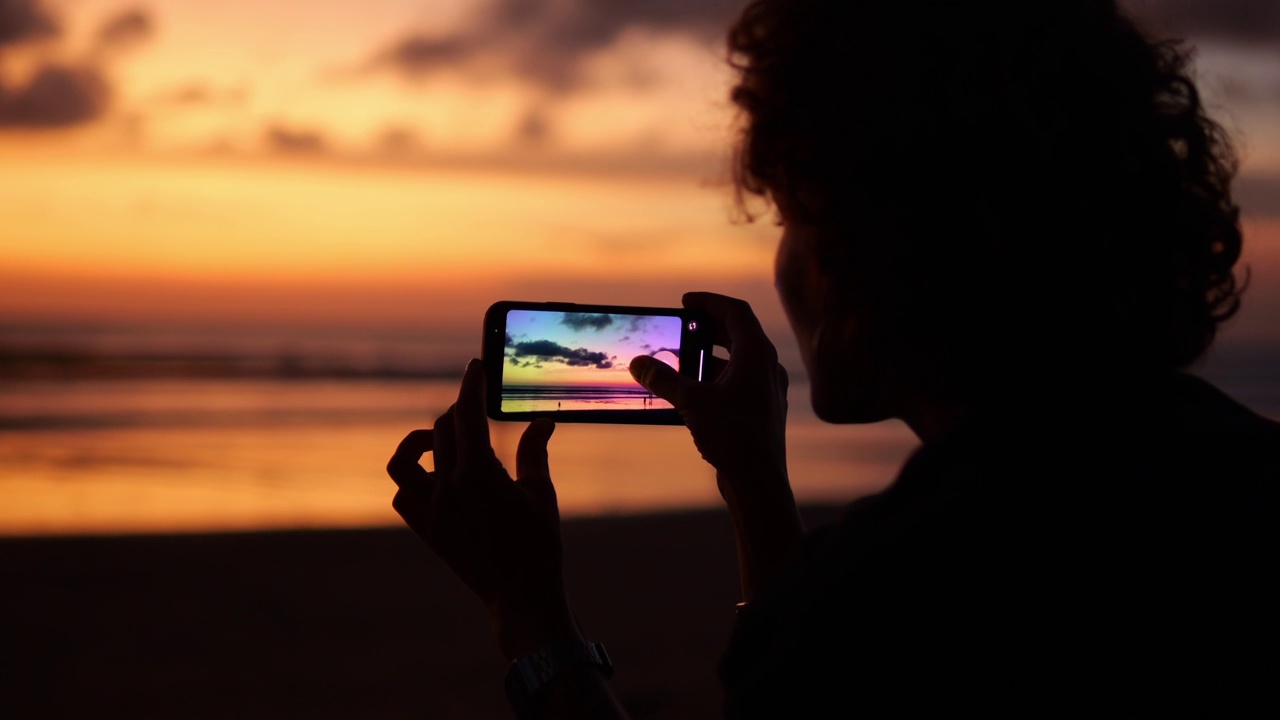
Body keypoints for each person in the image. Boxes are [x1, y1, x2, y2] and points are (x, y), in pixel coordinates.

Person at [387, 0, 1279, 716]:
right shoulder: (1236, 484)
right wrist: (754, 483)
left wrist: (529, 621)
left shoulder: (896, 606)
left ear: (883, 246)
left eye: (791, 216)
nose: (784, 260)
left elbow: (819, 651)